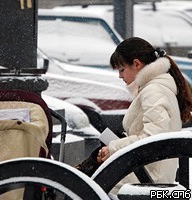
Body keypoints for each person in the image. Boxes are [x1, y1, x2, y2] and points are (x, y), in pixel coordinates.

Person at [76, 37, 192, 194]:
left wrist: (114, 147)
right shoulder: (154, 88)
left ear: (137, 64)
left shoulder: (154, 91)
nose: (120, 76)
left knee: (86, 189)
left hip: (147, 176)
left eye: (122, 69)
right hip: (145, 170)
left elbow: (153, 138)